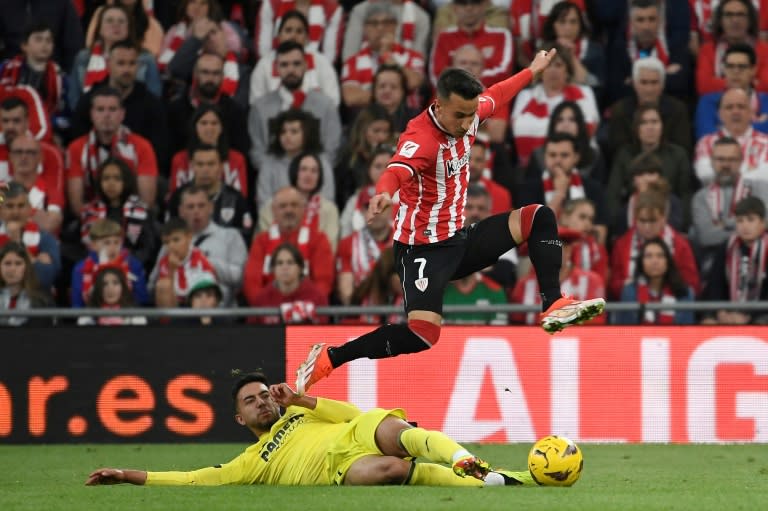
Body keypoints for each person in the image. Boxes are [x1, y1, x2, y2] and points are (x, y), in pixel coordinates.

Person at [295, 49, 606, 396]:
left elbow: (498, 94)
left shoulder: (468, 115)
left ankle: (552, 304)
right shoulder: (421, 139)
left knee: (538, 217)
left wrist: (532, 70)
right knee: (423, 334)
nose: (465, 123)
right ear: (439, 106)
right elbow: (397, 169)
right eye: (459, 115)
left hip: (458, 240)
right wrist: (384, 193)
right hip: (421, 251)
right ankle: (331, 356)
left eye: (470, 115)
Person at [86, 372, 534, 487]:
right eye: (252, 401)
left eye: (264, 394)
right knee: (392, 472)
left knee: (390, 427)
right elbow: (193, 479)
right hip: (340, 467)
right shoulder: (251, 463)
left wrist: (300, 399)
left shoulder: (301, 412)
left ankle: (464, 460)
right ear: (241, 420)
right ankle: (494, 481)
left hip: (357, 433)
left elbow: (348, 415)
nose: (263, 401)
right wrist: (128, 475)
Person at [79, 157, 159, 273]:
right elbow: (84, 247)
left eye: (117, 178)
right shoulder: (90, 211)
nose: (111, 183)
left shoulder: (139, 211)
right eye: (106, 178)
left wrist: (125, 263)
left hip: (130, 268)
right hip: (95, 268)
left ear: (126, 181)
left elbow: (146, 248)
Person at [249, 10, 340, 107]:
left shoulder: (322, 62)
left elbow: (333, 102)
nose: (293, 36)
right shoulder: (264, 65)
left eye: (299, 31)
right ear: (279, 36)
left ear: (307, 38)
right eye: (288, 30)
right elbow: (256, 105)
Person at [701, 196, 768, 324]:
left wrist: (749, 316)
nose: (745, 226)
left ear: (762, 223)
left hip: (762, 313)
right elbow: (715, 284)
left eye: (750, 220)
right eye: (740, 221)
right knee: (708, 322)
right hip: (729, 312)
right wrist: (721, 312)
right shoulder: (727, 247)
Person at [258, 152, 340, 252]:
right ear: (294, 172)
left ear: (319, 177)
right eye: (303, 169)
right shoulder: (272, 205)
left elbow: (330, 248)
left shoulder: (329, 209)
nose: (308, 175)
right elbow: (264, 242)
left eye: (314, 171)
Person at [169, 103, 249, 199]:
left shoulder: (237, 159)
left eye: (214, 123)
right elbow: (177, 199)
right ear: (195, 127)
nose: (209, 128)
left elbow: (240, 198)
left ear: (221, 128)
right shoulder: (180, 159)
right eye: (204, 123)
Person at [612, 237, 695, 325]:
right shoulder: (629, 291)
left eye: (660, 256)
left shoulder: (684, 292)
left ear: (668, 262)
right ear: (641, 262)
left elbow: (686, 331)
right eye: (649, 256)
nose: (654, 261)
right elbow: (626, 331)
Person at [71, 218, 149, 308]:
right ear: (93, 245)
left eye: (116, 242)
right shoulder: (81, 268)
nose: (113, 247)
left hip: (127, 315)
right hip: (92, 316)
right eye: (107, 243)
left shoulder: (133, 264)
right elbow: (77, 304)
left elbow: (141, 299)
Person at [695, 43, 768, 138]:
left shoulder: (766, 101)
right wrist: (757, 125)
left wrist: (722, 128)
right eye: (730, 66)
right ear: (724, 69)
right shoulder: (707, 102)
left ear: (753, 70)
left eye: (742, 67)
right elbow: (706, 136)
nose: (735, 71)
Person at [0, 182, 60, 290]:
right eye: (9, 206)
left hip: (35, 301)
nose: (15, 212)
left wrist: (17, 241)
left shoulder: (45, 239)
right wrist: (35, 260)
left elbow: (46, 278)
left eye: (21, 206)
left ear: (29, 209)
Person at [250, 243, 329, 325]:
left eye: (290, 262)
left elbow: (322, 329)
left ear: (300, 268)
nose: (284, 267)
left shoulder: (317, 296)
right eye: (280, 263)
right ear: (273, 269)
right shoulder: (261, 299)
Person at [0, 22, 65, 120]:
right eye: (38, 39)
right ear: (24, 46)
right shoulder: (5, 69)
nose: (44, 44)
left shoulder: (60, 76)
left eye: (49, 40)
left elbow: (64, 112)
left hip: (46, 125)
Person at [150, 217, 219, 307]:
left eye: (176, 240)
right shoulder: (164, 263)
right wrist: (172, 270)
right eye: (166, 242)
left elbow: (210, 292)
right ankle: (169, 321)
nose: (171, 246)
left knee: (204, 292)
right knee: (163, 285)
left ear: (189, 237)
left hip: (196, 305)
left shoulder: (200, 259)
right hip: (175, 306)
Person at [0, 241, 51, 326]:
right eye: (7, 263)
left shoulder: (42, 301)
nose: (12, 269)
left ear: (26, 268)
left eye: (18, 263)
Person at [77, 266, 148, 326]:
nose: (110, 288)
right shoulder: (87, 318)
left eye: (115, 283)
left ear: (123, 287)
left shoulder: (136, 316)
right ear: (98, 288)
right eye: (104, 284)